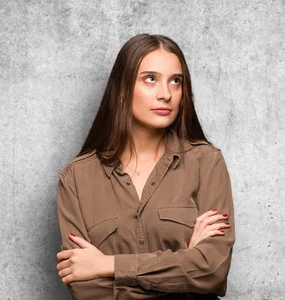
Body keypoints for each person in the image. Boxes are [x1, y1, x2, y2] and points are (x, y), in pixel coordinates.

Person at [55, 34, 235, 300]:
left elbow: (212, 271)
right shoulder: (77, 178)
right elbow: (87, 289)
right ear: (121, 90)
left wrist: (110, 266)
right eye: (150, 79)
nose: (165, 94)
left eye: (176, 81)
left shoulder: (206, 163)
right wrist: (186, 262)